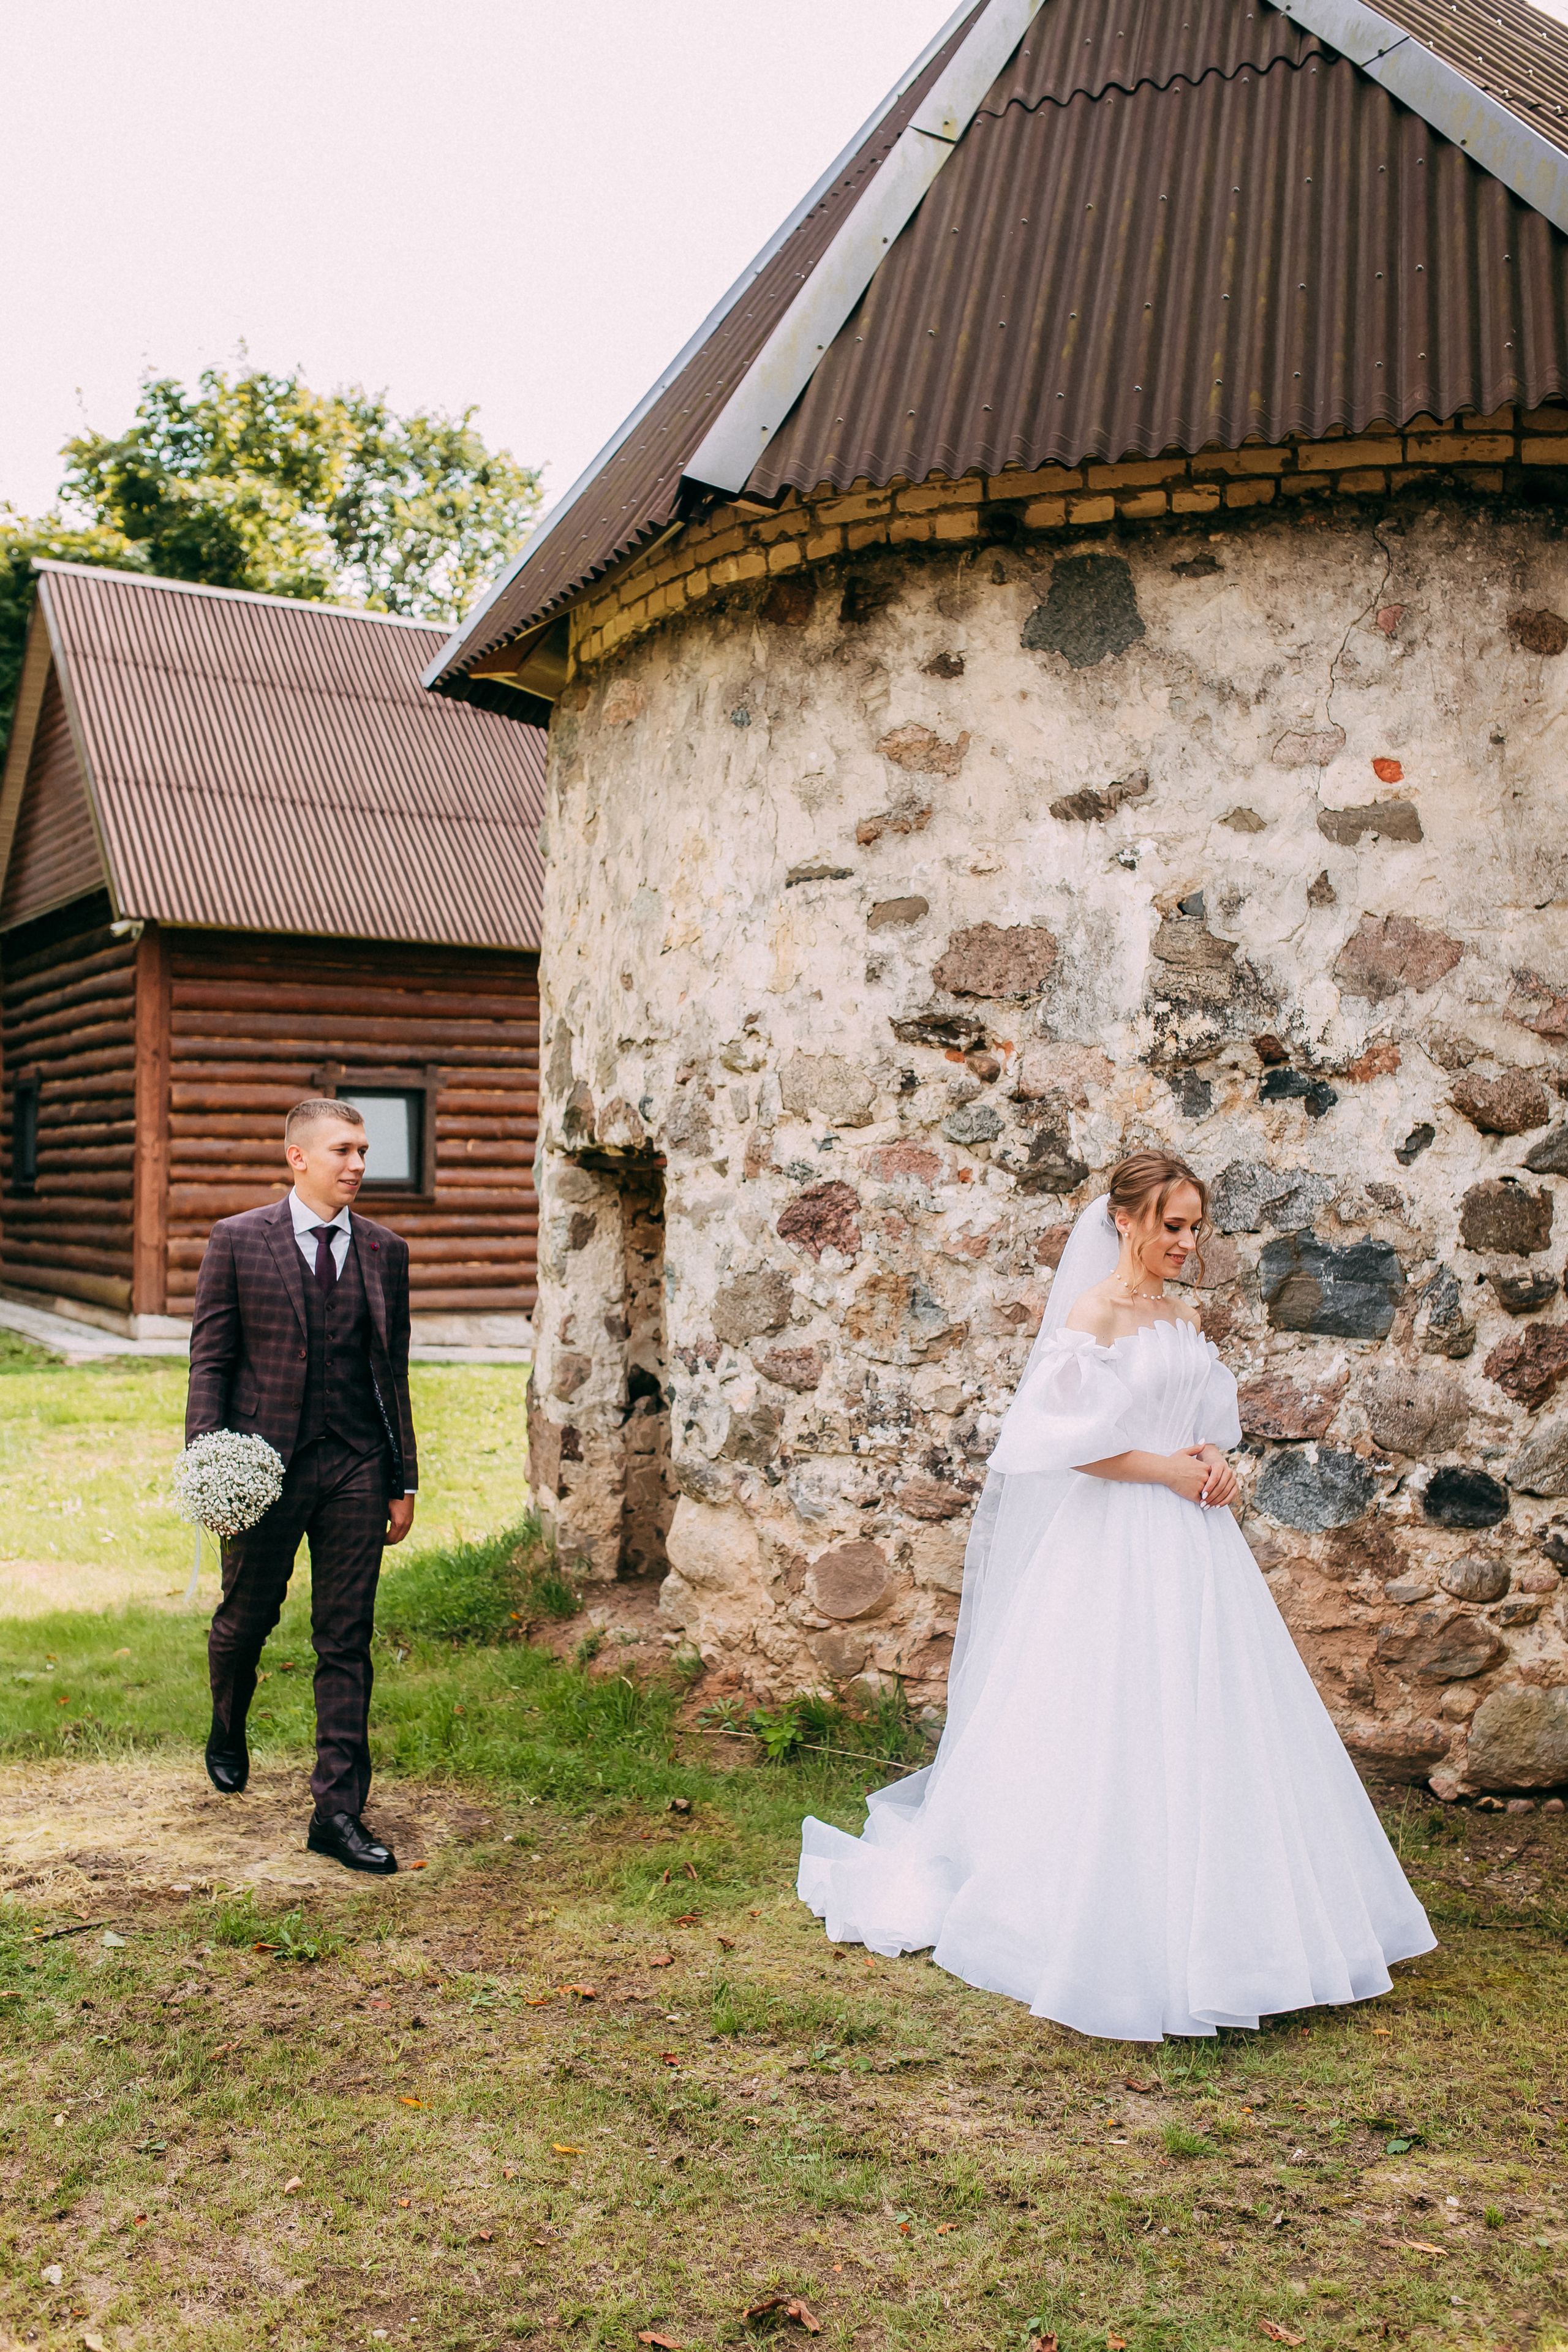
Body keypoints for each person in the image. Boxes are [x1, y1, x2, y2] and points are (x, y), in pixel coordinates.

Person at [798, 1150, 1433, 2040]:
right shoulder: (1092, 1315)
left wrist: (1214, 1461)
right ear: (1126, 1220)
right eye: (1172, 1225)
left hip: (1194, 1543)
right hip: (1115, 1538)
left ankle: (1246, 1926)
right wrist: (1169, 1471)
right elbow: (1067, 1443)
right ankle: (1096, 1915)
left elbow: (1198, 1422)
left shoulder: (1180, 1316)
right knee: (1110, 1714)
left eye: (1196, 1227)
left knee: (1217, 1714)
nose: (1186, 1242)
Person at [185, 1098, 418, 1875]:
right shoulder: (238, 1241)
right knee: (245, 1619)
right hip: (264, 1464)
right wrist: (210, 1462)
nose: (358, 1164)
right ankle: (227, 1724)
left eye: (363, 1151)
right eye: (343, 1151)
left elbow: (394, 1375)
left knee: (346, 1638)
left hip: (356, 1465)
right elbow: (211, 1360)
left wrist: (402, 1479)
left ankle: (337, 1811)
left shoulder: (386, 1250)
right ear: (298, 1158)